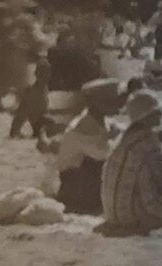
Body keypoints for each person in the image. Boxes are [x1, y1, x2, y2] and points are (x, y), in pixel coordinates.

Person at [101, 90, 162, 235]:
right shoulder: (148, 140)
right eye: (156, 111)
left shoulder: (125, 137)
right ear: (146, 115)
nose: (160, 113)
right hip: (132, 215)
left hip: (112, 213)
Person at [49, 86, 117, 214]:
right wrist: (114, 138)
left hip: (82, 180)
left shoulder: (100, 121)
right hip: (75, 184)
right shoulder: (81, 127)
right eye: (107, 100)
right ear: (94, 103)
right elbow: (101, 153)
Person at [7, 50, 53, 139]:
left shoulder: (44, 89)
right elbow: (21, 114)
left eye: (46, 73)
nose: (45, 76)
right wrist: (14, 131)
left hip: (43, 125)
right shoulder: (31, 92)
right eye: (42, 74)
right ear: (36, 74)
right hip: (41, 126)